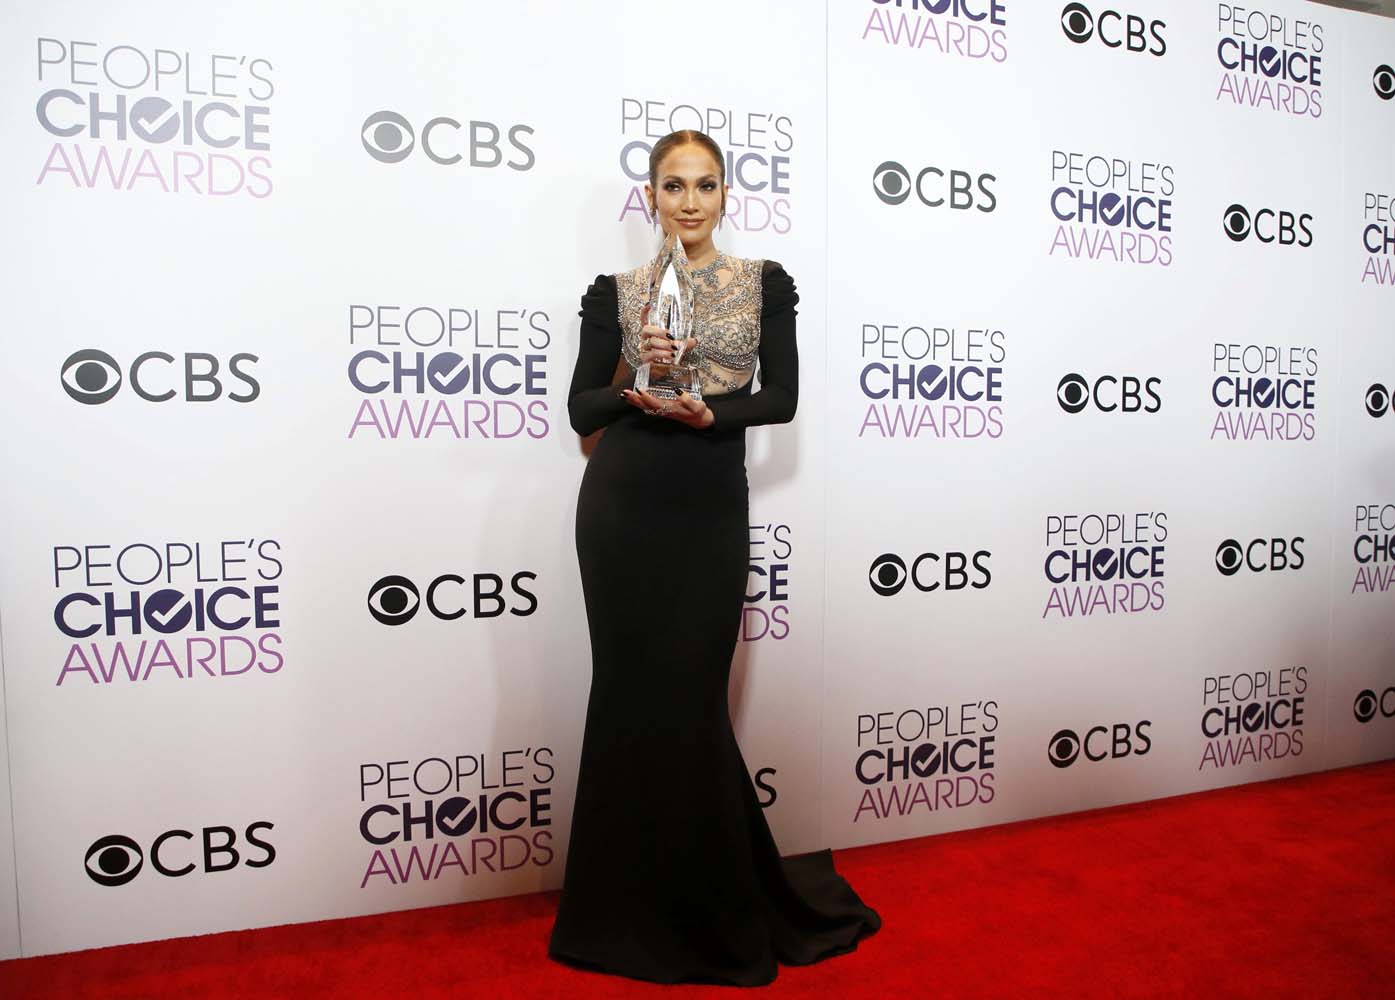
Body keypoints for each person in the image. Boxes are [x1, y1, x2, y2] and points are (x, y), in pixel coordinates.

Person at [546, 129, 881, 987]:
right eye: (671, 185)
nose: (687, 201)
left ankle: (714, 905)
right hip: (621, 505)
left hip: (704, 499)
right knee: (626, 697)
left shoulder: (763, 283)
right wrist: (634, 381)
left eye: (703, 185)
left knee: (691, 697)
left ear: (725, 194)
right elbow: (581, 408)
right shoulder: (617, 291)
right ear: (650, 197)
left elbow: (784, 397)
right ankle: (615, 915)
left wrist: (710, 415)